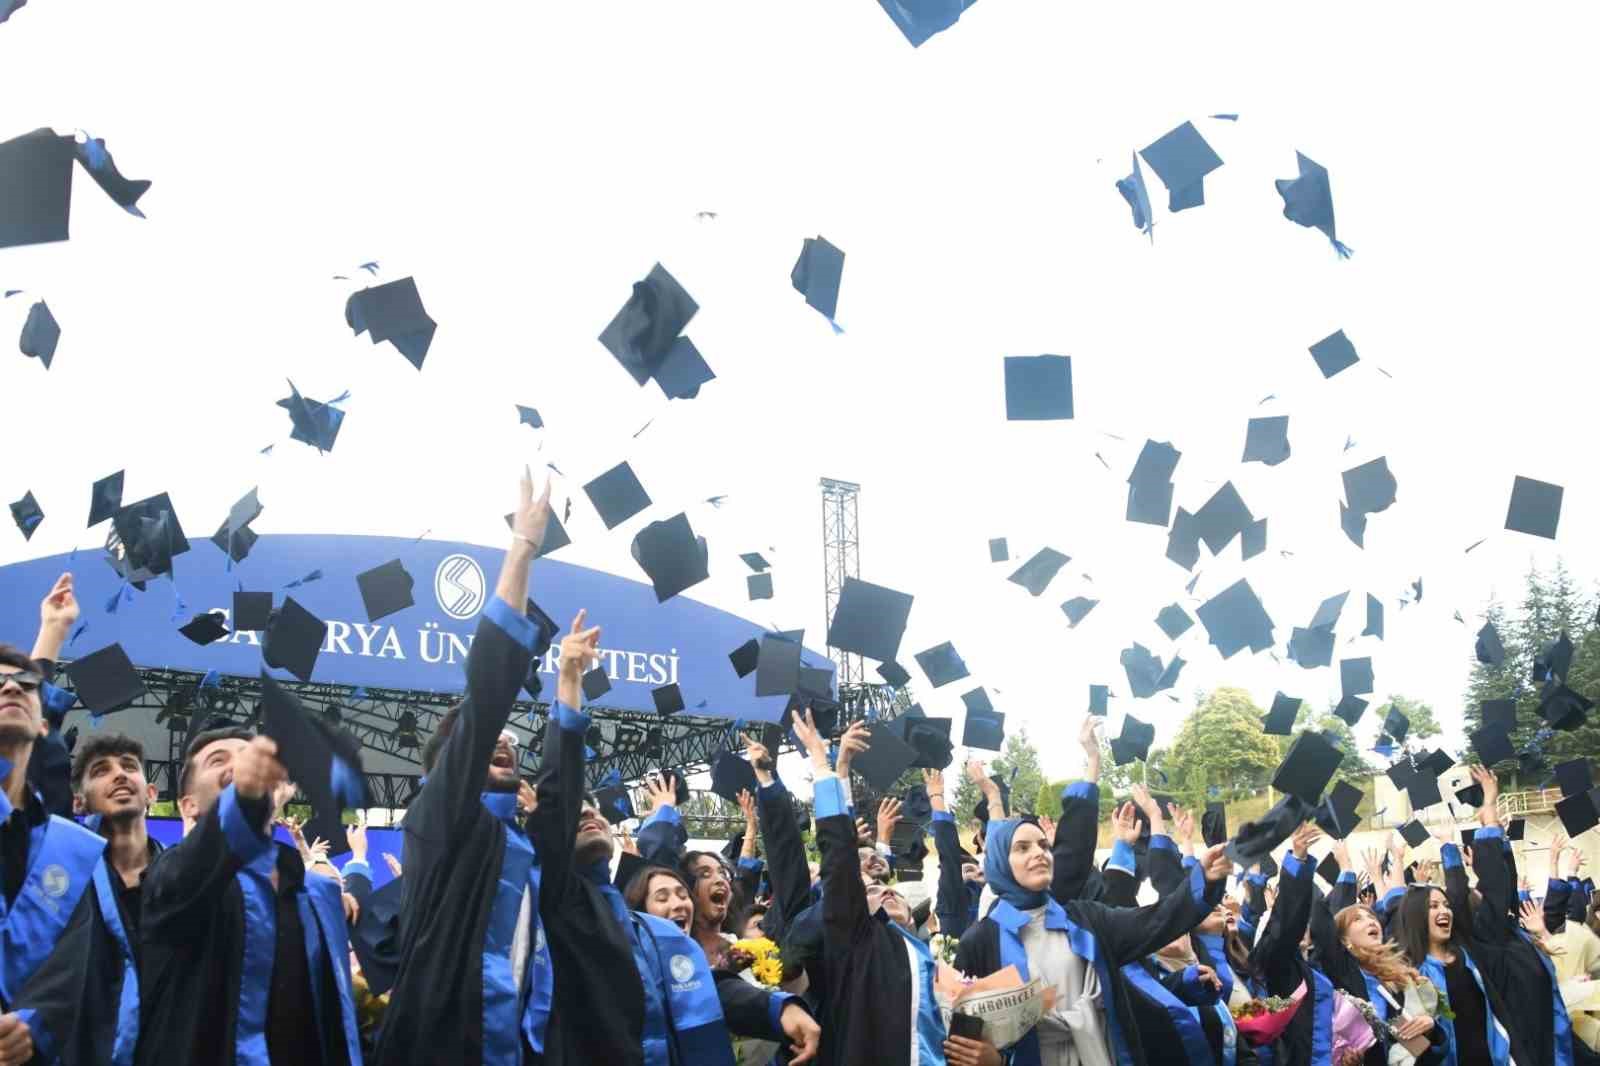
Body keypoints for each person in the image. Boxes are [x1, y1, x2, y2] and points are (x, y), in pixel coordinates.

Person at [528, 608, 816, 1066]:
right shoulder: (559, 908)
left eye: (595, 811)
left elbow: (704, 991)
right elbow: (557, 801)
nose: (589, 815)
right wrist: (568, 683)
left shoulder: (649, 931)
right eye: (575, 812)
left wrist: (777, 1008)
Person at [372, 470, 555, 1066]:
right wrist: (523, 548)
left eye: (510, 742)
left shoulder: (514, 841)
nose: (501, 743)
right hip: (441, 1045)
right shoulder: (441, 817)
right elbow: (483, 701)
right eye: (483, 743)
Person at [137, 717, 361, 1065]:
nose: (240, 767)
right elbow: (190, 872)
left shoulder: (317, 894)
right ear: (188, 806)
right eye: (218, 760)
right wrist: (244, 801)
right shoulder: (171, 877)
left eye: (246, 757)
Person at [787, 710, 950, 1066]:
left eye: (887, 888)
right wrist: (828, 767)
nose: (885, 890)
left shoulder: (929, 956)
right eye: (871, 893)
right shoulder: (861, 940)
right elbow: (840, 863)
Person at [0, 732, 164, 1066]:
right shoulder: (57, 873)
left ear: (151, 793)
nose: (119, 774)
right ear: (79, 802)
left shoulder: (183, 879)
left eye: (129, 767)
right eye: (101, 770)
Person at [0, 575, 106, 1065]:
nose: (9, 687)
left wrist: (32, 1022)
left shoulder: (63, 846)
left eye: (23, 684)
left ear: (44, 724)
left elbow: (71, 956)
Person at [1251, 823, 1442, 1066]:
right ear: (1342, 939)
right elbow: (1308, 920)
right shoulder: (1332, 974)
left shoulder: (1396, 979)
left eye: (1372, 916)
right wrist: (1300, 863)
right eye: (1358, 919)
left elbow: (1412, 1045)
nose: (1372, 920)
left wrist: (1431, 1026)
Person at [623, 863, 821, 1061]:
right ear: (639, 912)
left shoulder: (697, 972)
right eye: (662, 898)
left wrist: (781, 1008)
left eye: (683, 896)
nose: (678, 904)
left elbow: (722, 992)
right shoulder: (624, 974)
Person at [1450, 765, 1575, 1066]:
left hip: (1547, 1034)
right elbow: (1494, 883)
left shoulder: (1504, 930)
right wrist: (1489, 807)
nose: (1483, 890)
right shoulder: (1486, 936)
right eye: (1476, 891)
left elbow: (1501, 885)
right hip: (1532, 1044)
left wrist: (1501, 843)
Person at [1391, 825, 1513, 1065]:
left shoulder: (1468, 955)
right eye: (1433, 906)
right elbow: (1405, 1043)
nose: (1444, 910)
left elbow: (1459, 892)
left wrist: (1449, 845)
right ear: (1416, 915)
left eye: (1446, 905)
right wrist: (1431, 1029)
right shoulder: (1408, 972)